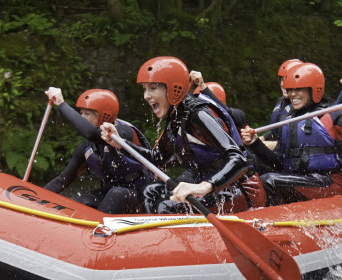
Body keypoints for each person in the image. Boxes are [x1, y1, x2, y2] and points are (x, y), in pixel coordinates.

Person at [100, 56, 267, 214]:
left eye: (152, 88)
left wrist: (204, 187)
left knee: (165, 206)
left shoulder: (198, 114)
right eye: (144, 89)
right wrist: (120, 143)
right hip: (213, 188)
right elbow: (156, 158)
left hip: (242, 189)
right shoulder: (175, 118)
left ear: (173, 88)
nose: (146, 96)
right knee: (149, 191)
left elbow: (238, 160)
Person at [241, 62, 342, 205]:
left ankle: (275, 221)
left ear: (314, 89)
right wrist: (255, 143)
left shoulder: (333, 113)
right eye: (290, 90)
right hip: (304, 181)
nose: (292, 94)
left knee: (269, 181)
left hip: (330, 183)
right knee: (257, 176)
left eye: (298, 89)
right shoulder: (289, 120)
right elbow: (279, 164)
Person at [43, 87, 152, 213]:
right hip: (111, 193)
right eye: (81, 113)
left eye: (87, 114)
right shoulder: (87, 147)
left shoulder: (123, 132)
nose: (81, 118)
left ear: (104, 117)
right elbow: (62, 180)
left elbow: (90, 132)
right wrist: (35, 198)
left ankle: (99, 229)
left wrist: (61, 104)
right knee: (85, 201)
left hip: (142, 196)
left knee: (117, 194)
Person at [262, 59, 304, 144]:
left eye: (287, 79)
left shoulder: (303, 106)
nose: (282, 84)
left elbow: (303, 137)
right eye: (282, 79)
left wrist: (276, 145)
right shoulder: (282, 102)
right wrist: (263, 137)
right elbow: (278, 130)